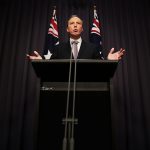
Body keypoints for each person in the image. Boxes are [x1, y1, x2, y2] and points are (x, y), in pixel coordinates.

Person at [26, 15, 125, 60]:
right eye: (72, 23)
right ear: (67, 29)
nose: (75, 25)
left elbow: (100, 69)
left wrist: (109, 61)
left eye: (78, 23)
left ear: (82, 29)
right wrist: (40, 62)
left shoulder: (93, 48)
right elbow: (51, 68)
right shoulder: (58, 48)